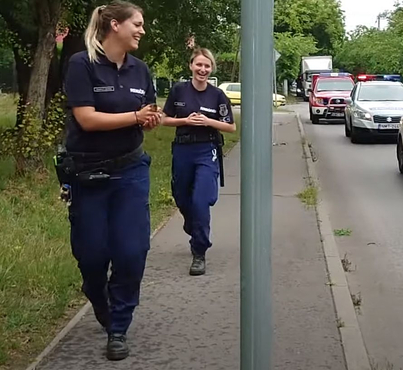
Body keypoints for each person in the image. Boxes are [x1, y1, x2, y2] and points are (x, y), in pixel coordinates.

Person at [59, 0, 161, 361]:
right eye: (137, 23)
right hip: (87, 173)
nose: (142, 30)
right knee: (91, 255)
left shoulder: (140, 69)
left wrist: (149, 119)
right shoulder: (81, 64)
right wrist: (136, 116)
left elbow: (149, 113)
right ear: (115, 25)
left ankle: (118, 327)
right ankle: (97, 294)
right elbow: (86, 119)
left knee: (132, 251)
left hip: (130, 171)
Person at [162, 48, 236, 276]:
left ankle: (199, 251)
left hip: (207, 150)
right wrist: (185, 120)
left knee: (201, 200)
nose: (202, 69)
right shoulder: (179, 91)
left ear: (211, 69)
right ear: (191, 66)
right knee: (182, 197)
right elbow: (164, 119)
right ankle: (192, 224)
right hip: (183, 149)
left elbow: (230, 126)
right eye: (199, 65)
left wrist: (208, 121)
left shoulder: (217, 96)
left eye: (207, 66)